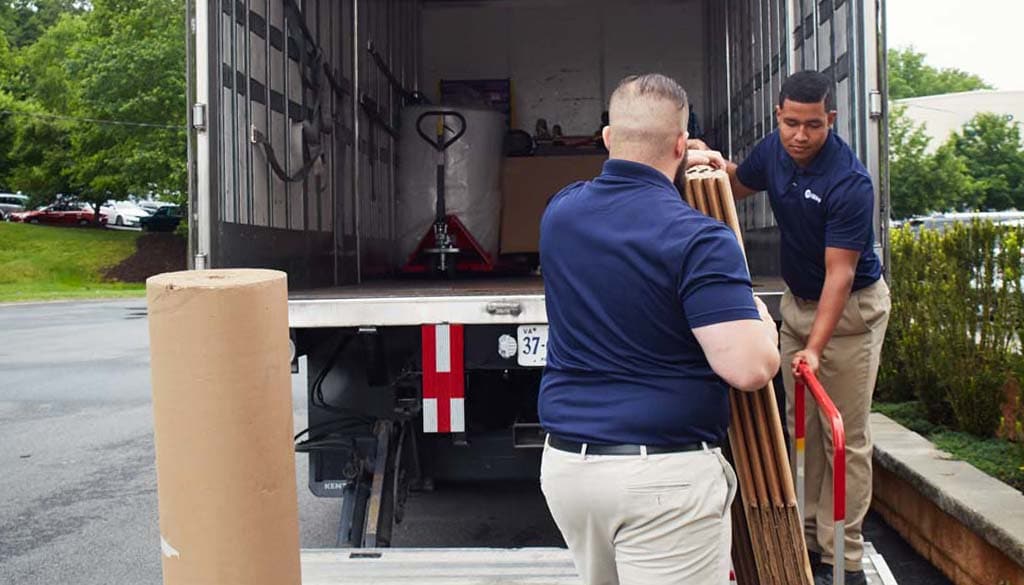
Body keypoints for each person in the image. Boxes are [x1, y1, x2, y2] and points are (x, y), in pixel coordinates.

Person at [538, 73, 781, 585]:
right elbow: (748, 368)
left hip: (569, 471)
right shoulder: (699, 238)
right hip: (662, 481)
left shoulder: (559, 214)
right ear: (681, 144)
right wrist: (760, 320)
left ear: (607, 138)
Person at [726, 70, 891, 585]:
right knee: (803, 429)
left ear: (831, 121)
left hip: (847, 316)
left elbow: (841, 275)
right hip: (798, 307)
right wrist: (710, 165)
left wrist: (814, 350)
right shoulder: (774, 150)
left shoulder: (849, 182)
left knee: (846, 433)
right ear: (779, 116)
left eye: (813, 125)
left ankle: (845, 557)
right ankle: (808, 538)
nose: (800, 136)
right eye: (792, 123)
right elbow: (735, 183)